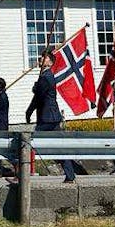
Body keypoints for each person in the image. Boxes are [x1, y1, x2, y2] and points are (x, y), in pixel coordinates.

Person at [26, 49, 76, 183]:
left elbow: (39, 97)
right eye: (41, 57)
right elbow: (39, 96)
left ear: (50, 62)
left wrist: (30, 108)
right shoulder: (44, 76)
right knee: (58, 147)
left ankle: (21, 174)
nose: (40, 59)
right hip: (51, 117)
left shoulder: (46, 77)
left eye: (44, 57)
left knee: (28, 143)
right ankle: (70, 174)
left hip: (47, 118)